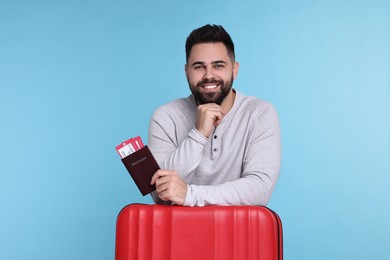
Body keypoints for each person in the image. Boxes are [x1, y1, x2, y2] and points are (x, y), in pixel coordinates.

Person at [148, 24, 281, 206]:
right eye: (199, 67)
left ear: (234, 69)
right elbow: (160, 193)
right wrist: (198, 134)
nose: (209, 75)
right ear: (187, 72)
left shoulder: (260, 113)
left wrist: (190, 195)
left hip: (238, 231)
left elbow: (259, 189)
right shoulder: (166, 117)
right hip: (178, 230)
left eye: (218, 65)